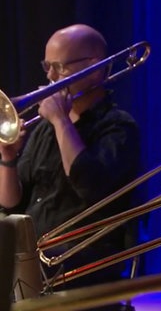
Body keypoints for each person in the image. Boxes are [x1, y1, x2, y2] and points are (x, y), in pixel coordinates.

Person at [0, 24, 140, 305]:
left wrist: (62, 120)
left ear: (94, 67)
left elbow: (90, 186)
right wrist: (8, 158)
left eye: (59, 67)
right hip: (34, 258)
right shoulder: (43, 129)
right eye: (47, 66)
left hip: (85, 262)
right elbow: (11, 203)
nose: (50, 77)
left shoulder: (118, 127)